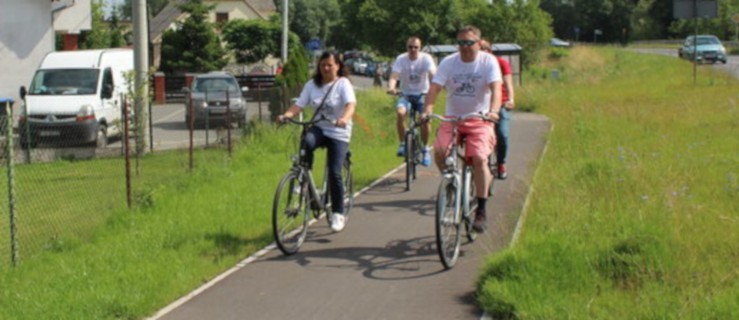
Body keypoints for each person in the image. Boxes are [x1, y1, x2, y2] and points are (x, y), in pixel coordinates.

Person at [422, 26, 502, 232]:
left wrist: (493, 111)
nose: (464, 47)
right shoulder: (449, 62)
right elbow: (435, 88)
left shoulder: (488, 62)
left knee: (479, 159)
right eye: (460, 43)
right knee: (439, 152)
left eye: (468, 43)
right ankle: (452, 186)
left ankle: (481, 209)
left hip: (480, 118)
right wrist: (428, 109)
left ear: (478, 42)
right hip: (452, 119)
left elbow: (495, 89)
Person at [277, 51, 357, 232]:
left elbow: (350, 105)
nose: (326, 69)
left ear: (338, 66)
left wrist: (344, 119)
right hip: (320, 128)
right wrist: (287, 115)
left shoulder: (343, 84)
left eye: (330, 65)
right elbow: (299, 104)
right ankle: (303, 180)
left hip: (338, 132)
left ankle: (338, 213)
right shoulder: (311, 85)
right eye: (323, 65)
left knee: (335, 172)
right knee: (307, 142)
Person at [387, 36, 437, 166]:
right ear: (406, 47)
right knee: (400, 113)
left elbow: (432, 74)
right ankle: (403, 143)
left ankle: (425, 148)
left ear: (420, 48)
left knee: (425, 119)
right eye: (410, 47)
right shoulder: (401, 59)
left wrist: (434, 87)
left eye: (416, 47)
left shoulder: (425, 58)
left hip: (422, 94)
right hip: (405, 94)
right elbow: (394, 76)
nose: (413, 49)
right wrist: (392, 87)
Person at [480, 39, 515, 180]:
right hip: (482, 106)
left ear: (489, 51)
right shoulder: (475, 65)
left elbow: (508, 84)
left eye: (483, 49)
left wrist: (511, 99)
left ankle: (501, 163)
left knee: (502, 134)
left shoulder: (501, 63)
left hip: (500, 104)